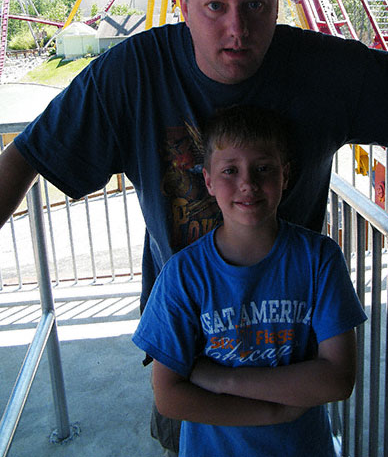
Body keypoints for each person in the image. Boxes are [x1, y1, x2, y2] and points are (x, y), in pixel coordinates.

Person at [0, 0, 388, 451]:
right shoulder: (131, 74)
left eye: (255, 7)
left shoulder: (326, 69)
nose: (236, 29)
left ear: (277, 4)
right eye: (214, 6)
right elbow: (24, 157)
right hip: (188, 349)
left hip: (288, 345)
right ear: (182, 3)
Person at [132, 105, 367, 456]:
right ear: (208, 181)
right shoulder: (184, 275)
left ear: (285, 176)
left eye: (263, 168)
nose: (248, 184)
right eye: (230, 170)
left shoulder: (319, 259)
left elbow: (337, 378)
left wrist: (223, 380)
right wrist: (273, 412)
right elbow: (169, 396)